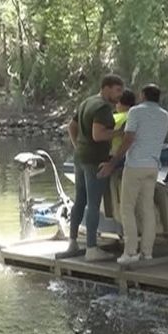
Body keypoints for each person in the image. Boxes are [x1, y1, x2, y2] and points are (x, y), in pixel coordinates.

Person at [99, 83, 168, 265]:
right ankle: (147, 252)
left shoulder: (135, 112)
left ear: (143, 95)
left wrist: (113, 162)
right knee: (147, 209)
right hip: (153, 166)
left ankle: (130, 251)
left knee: (127, 208)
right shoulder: (164, 115)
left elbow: (128, 139)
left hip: (135, 165)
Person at [62, 74, 124, 261]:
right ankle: (91, 248)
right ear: (106, 88)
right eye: (117, 90)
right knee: (94, 204)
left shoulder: (87, 102)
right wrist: (119, 133)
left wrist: (78, 146)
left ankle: (72, 242)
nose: (119, 95)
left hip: (80, 157)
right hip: (95, 160)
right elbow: (98, 135)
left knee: (79, 200)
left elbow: (71, 126)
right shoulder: (103, 107)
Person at [106, 88, 136, 220]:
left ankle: (109, 213)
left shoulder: (115, 118)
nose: (116, 106)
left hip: (117, 159)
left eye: (117, 103)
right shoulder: (138, 116)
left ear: (121, 103)